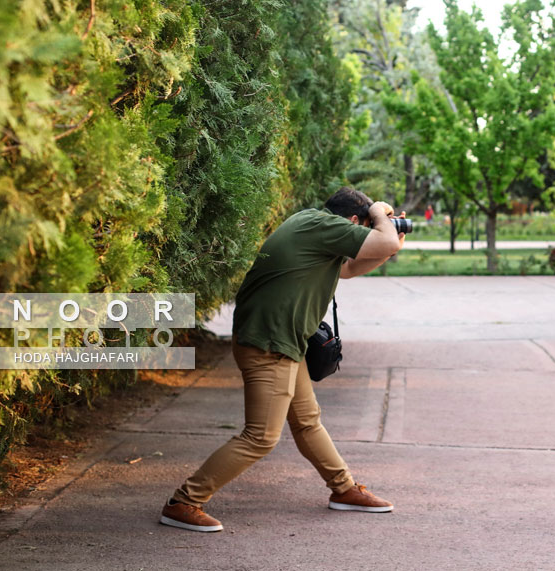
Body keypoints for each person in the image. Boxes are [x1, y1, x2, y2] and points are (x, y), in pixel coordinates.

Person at [160, 187, 406, 532]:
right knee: (260, 436)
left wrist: (391, 236)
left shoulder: (314, 227)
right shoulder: (323, 226)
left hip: (281, 342)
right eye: (366, 225)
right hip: (269, 344)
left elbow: (350, 269)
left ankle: (344, 489)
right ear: (354, 221)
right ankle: (184, 502)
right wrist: (382, 215)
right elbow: (385, 243)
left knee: (307, 421)